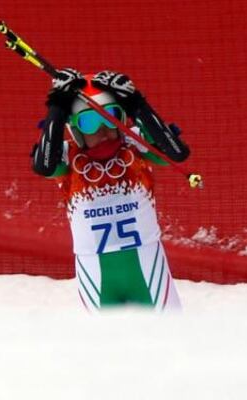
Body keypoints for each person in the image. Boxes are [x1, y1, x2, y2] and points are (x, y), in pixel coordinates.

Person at [31, 69, 190, 311]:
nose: (103, 129)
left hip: (148, 268)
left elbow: (177, 152)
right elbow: (43, 166)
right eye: (89, 122)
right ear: (75, 129)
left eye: (110, 117)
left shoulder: (135, 144)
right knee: (106, 347)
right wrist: (57, 108)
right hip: (95, 273)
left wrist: (135, 102)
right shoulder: (66, 156)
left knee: (169, 341)